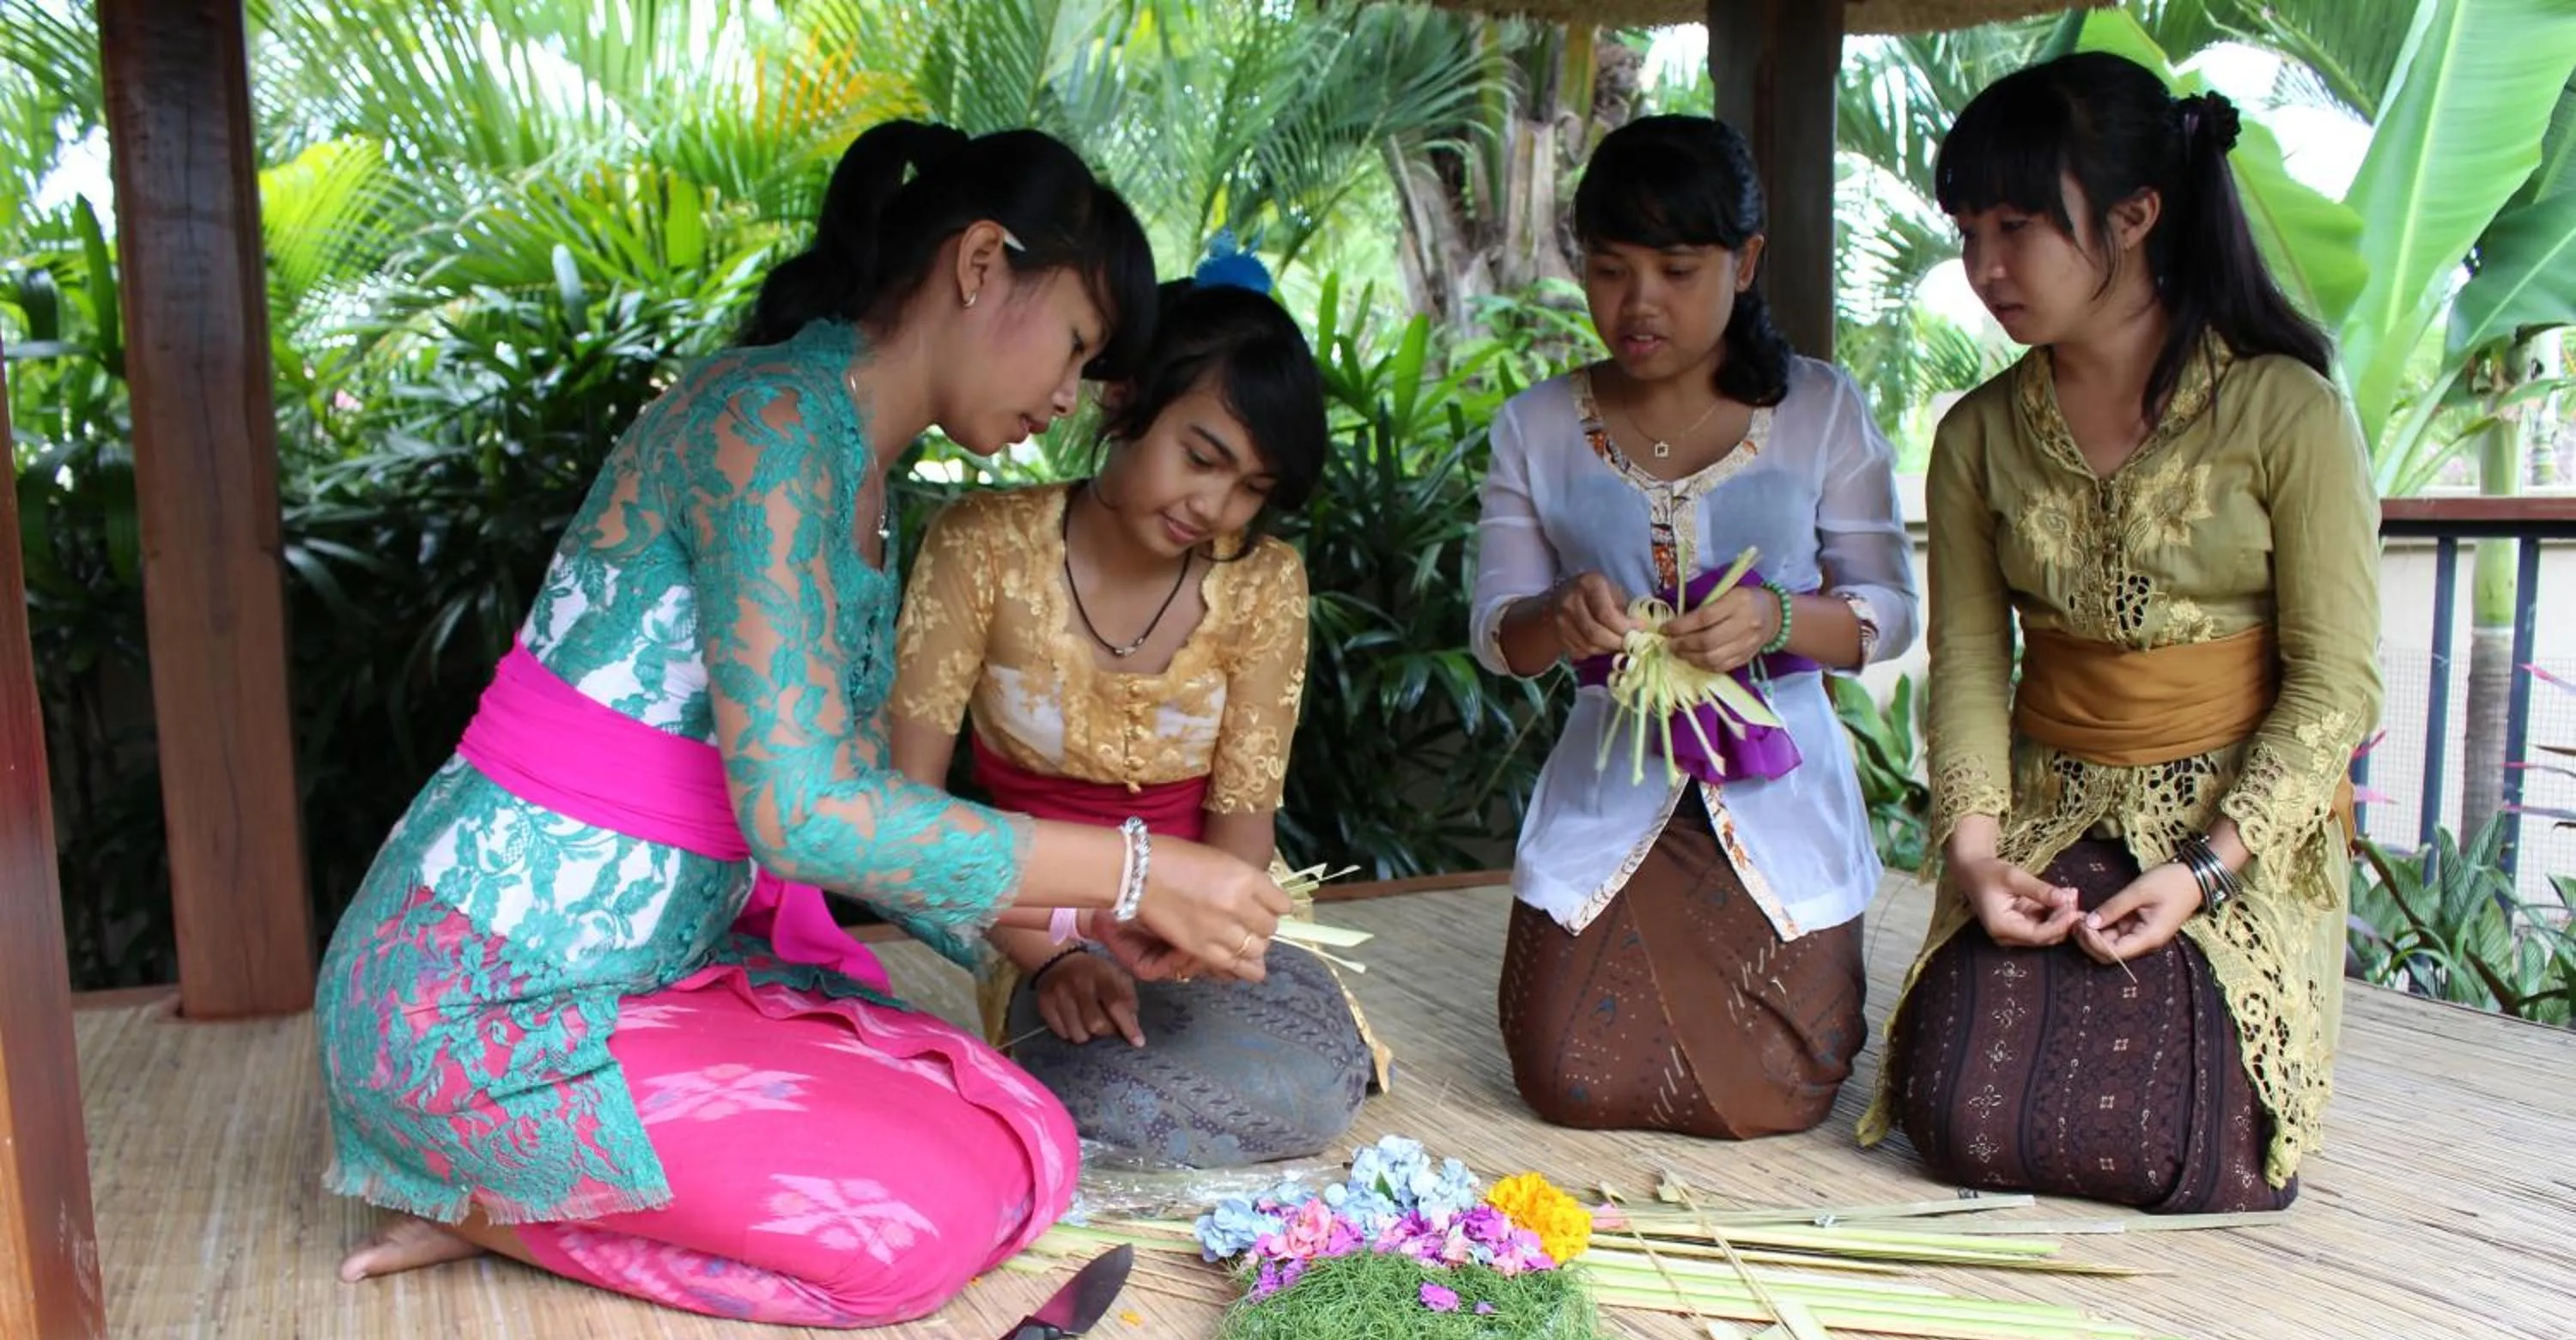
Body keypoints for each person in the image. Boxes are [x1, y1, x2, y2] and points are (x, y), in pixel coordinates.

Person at [318, 123, 1292, 1327]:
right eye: (1077, 345)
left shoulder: (864, 475)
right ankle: (481, 1194)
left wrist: (1073, 923)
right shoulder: (770, 425)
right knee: (907, 1239)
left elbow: (862, 802)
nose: (1072, 394)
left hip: (649, 970)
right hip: (480, 995)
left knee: (1014, 1133)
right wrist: (1135, 869)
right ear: (982, 263)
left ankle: (527, 1184)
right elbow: (805, 816)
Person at [1863, 53, 2382, 1213]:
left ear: (2138, 216)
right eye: (1966, 230)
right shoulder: (1976, 438)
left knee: (2170, 1141)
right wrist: (1979, 854)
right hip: (2050, 805)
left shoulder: (2286, 409)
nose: (1984, 267)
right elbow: (1969, 672)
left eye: (2018, 226)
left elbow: (2339, 680)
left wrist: (2205, 870)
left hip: (2231, 825)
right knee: (1965, 1118)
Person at [1469, 114, 1920, 1139]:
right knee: (1565, 1074)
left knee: (1780, 1084)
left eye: (1677, 269)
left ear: (1745, 260)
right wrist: (1560, 615)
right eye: (1611, 269)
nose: (1639, 304)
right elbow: (1499, 635)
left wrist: (1777, 618)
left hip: (1781, 788)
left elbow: (1888, 613)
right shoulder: (1536, 427)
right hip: (1611, 786)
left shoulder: (1822, 411)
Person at [890, 257, 1379, 1169]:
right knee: (1099, 1069)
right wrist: (1051, 956)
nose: (1216, 506)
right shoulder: (981, 547)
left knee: (1299, 1081)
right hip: (1022, 903)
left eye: (1252, 488)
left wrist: (1194, 936)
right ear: (1125, 397)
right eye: (1201, 457)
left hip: (1203, 910)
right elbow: (905, 811)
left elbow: (1240, 827)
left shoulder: (1265, 581)